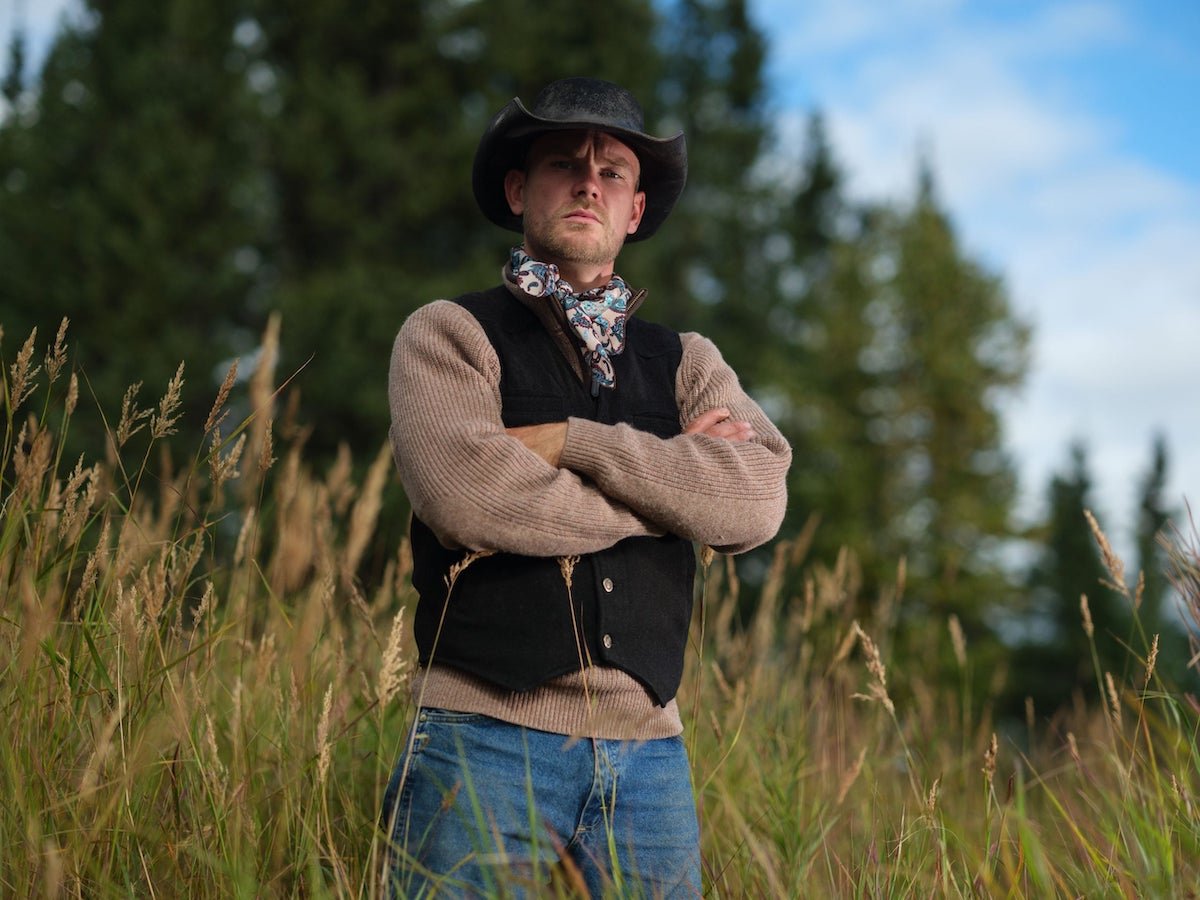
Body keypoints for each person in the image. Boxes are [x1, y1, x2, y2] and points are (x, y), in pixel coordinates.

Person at [382, 76, 791, 897]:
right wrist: (672, 488)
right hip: (482, 741)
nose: (588, 183)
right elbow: (470, 498)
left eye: (613, 173)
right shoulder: (448, 334)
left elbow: (754, 501)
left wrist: (574, 443)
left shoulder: (690, 361)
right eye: (565, 163)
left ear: (634, 211)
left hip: (651, 763)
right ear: (517, 190)